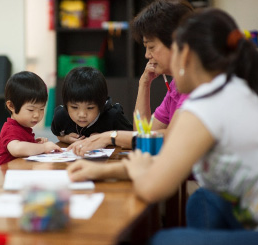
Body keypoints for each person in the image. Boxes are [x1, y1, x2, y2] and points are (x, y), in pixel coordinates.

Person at [123, 8, 258, 245]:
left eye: (152, 47)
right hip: (250, 213)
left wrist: (138, 171)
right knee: (203, 199)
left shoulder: (205, 103)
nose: (147, 56)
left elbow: (152, 187)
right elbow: (149, 132)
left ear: (185, 55)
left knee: (164, 241)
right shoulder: (231, 88)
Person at [67, 0, 193, 156]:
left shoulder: (195, 85)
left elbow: (170, 138)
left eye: (151, 47)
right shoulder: (175, 86)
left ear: (177, 42)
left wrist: (111, 136)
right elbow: (143, 133)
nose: (147, 55)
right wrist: (144, 85)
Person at [0, 71, 61, 167]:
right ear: (11, 106)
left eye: (41, 109)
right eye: (31, 109)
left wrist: (34, 144)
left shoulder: (23, 127)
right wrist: (43, 147)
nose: (37, 115)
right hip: (4, 177)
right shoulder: (10, 129)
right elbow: (17, 149)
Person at [51, 66, 133, 144]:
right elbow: (59, 135)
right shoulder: (61, 116)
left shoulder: (113, 116)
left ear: (101, 104)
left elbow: (133, 139)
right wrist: (66, 139)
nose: (82, 115)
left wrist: (107, 139)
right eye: (74, 107)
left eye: (90, 108)